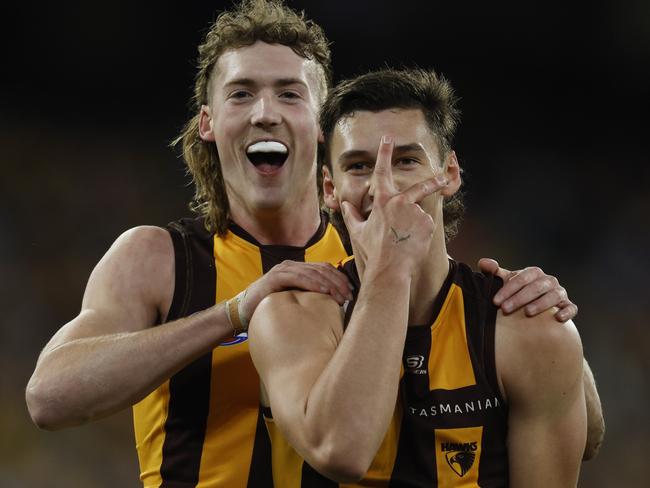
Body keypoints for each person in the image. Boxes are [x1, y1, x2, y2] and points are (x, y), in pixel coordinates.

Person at [24, 1, 582, 487]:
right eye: (241, 93)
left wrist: (539, 306)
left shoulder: (371, 250)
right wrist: (231, 313)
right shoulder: (158, 259)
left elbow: (577, 422)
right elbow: (49, 397)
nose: (265, 111)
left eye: (289, 93)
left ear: (320, 124)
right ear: (208, 121)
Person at [249, 68, 602, 486]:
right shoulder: (290, 315)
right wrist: (391, 269)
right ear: (329, 188)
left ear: (449, 174)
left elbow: (590, 439)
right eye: (359, 165)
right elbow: (340, 452)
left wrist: (562, 341)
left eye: (407, 160)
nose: (385, 186)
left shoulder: (526, 328)